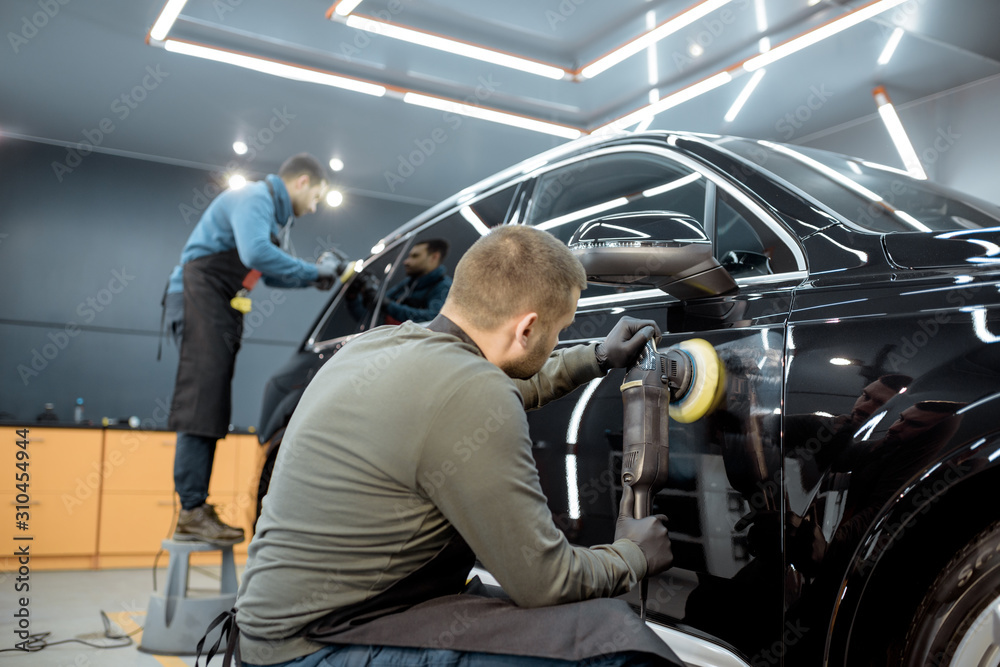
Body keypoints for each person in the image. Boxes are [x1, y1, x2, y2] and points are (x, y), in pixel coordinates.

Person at [232, 226, 680, 666]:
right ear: (526, 328)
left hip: (268, 636)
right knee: (613, 644)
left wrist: (597, 357)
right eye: (559, 331)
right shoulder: (471, 390)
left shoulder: (375, 348)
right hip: (313, 649)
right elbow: (547, 583)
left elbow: (506, 386)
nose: (558, 342)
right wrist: (633, 554)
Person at [164, 153, 342, 546]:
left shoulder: (271, 218)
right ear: (301, 182)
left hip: (221, 302)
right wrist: (315, 272)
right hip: (199, 296)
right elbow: (257, 255)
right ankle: (191, 511)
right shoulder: (255, 199)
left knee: (212, 399)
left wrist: (318, 279)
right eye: (316, 197)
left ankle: (196, 506)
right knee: (202, 396)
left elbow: (272, 276)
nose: (314, 208)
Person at [347, 239, 452, 325]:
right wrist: (352, 298)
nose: (406, 262)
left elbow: (434, 320)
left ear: (434, 257)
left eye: (415, 256)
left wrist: (387, 305)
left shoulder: (443, 287)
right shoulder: (408, 284)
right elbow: (369, 321)